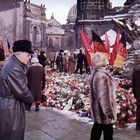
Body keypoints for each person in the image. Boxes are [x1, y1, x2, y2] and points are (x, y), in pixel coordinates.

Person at [0, 40, 33, 140]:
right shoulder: (14, 67)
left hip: (9, 105)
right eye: (28, 55)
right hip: (11, 109)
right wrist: (31, 100)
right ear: (20, 54)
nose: (29, 57)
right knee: (13, 135)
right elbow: (22, 92)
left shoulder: (13, 63)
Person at [90, 52, 116, 140]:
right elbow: (104, 97)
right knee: (107, 134)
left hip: (99, 111)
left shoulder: (96, 73)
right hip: (103, 112)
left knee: (96, 132)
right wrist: (109, 112)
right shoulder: (102, 76)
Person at [132, 60, 140, 130]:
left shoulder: (136, 70)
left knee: (139, 109)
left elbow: (133, 84)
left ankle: (138, 125)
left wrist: (134, 93)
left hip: (138, 93)